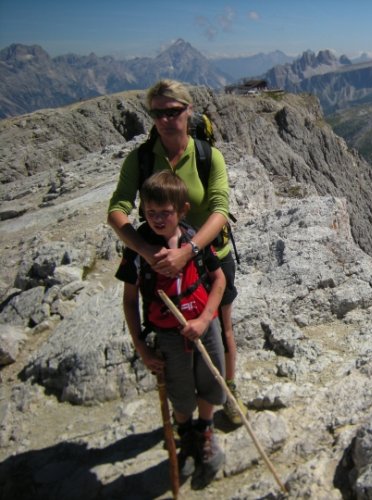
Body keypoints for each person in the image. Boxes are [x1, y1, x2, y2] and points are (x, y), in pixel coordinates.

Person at [107, 79, 247, 425]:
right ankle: (185, 406)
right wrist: (144, 250)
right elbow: (117, 209)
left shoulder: (207, 156)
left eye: (174, 111)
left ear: (189, 111)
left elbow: (220, 209)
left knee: (221, 326)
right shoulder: (140, 160)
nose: (166, 119)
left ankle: (227, 390)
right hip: (161, 260)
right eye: (158, 113)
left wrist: (190, 250)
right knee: (169, 329)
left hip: (210, 253)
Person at [115, 171, 225, 488]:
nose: (158, 219)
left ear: (182, 211)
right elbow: (130, 300)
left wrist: (205, 319)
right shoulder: (138, 251)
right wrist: (141, 347)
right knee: (180, 393)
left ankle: (204, 429)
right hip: (167, 335)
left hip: (204, 326)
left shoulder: (196, 241)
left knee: (211, 381)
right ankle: (187, 434)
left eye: (166, 213)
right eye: (151, 213)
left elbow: (219, 281)